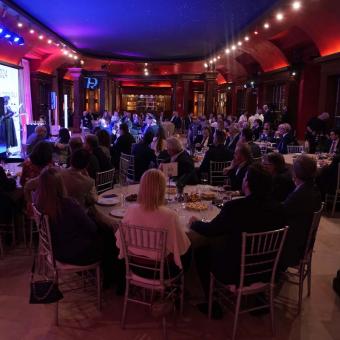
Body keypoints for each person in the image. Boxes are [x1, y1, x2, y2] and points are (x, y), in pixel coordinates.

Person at [190, 164, 284, 316]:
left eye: (245, 177)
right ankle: (259, 296)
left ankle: (212, 305)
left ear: (246, 183)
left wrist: (195, 223)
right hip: (269, 269)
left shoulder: (235, 207)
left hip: (237, 272)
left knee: (202, 251)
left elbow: (211, 230)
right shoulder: (279, 208)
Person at [116, 169, 191, 275]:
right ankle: (179, 286)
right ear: (162, 189)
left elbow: (119, 241)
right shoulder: (170, 215)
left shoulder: (131, 210)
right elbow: (182, 247)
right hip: (162, 271)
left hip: (134, 266)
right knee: (189, 250)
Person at [34, 167, 101, 266]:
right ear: (60, 184)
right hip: (74, 253)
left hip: (55, 250)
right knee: (107, 237)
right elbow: (92, 228)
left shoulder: (38, 202)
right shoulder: (68, 204)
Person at [279, 155, 322, 271]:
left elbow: (281, 213)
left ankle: (270, 274)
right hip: (304, 241)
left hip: (293, 248)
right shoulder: (313, 188)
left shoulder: (300, 194)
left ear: (295, 173)